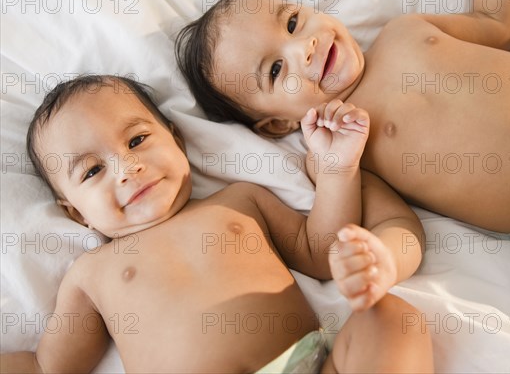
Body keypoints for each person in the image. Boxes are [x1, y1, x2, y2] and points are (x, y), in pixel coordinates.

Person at [174, 0, 510, 336]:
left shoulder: (406, 31)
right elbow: (399, 227)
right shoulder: (341, 150)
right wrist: (382, 260)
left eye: (291, 23)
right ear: (275, 126)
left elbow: (498, 21)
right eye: (274, 70)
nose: (303, 48)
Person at [0, 75, 433, 373]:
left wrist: (337, 170)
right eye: (92, 171)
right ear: (75, 212)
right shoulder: (90, 274)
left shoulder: (239, 203)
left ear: (176, 138)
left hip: (306, 365)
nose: (127, 168)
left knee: (392, 318)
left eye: (136, 141)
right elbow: (46, 365)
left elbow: (320, 253)